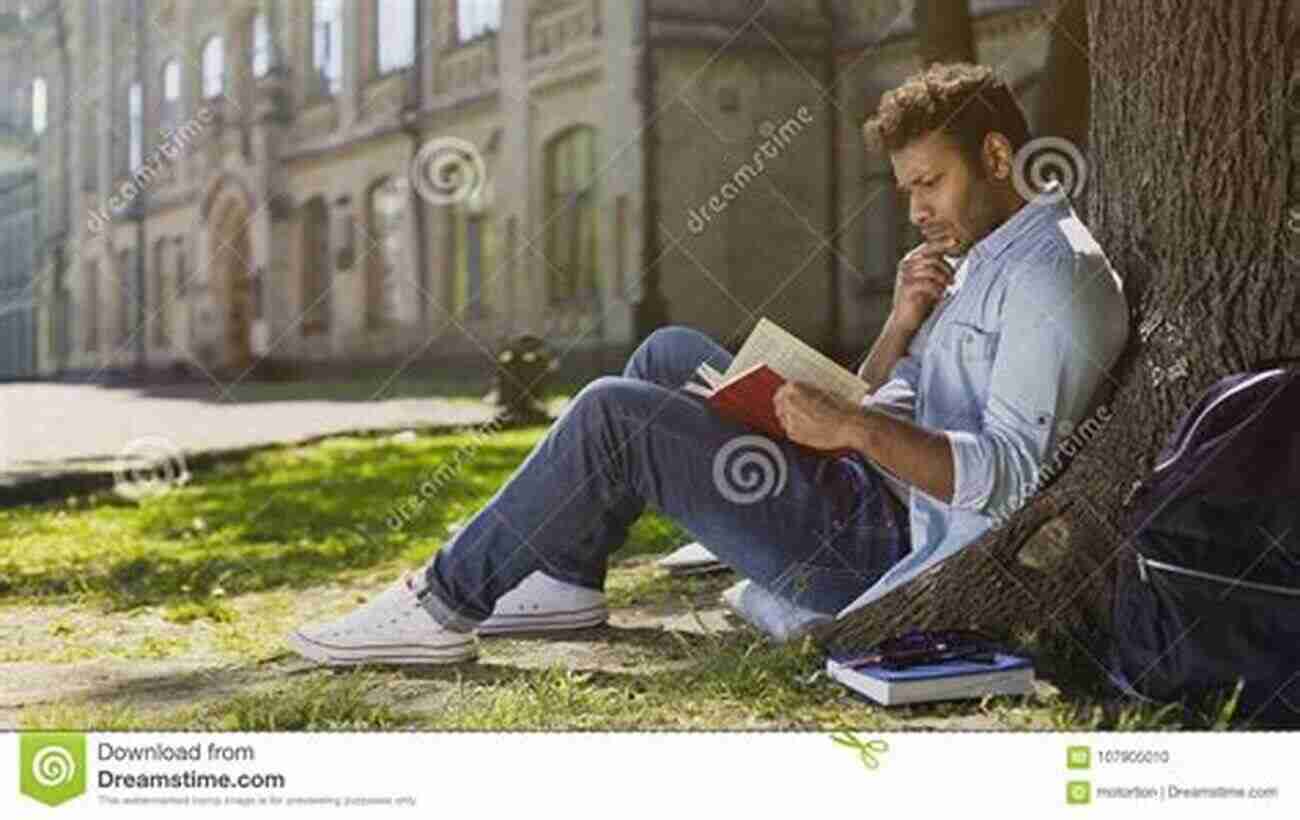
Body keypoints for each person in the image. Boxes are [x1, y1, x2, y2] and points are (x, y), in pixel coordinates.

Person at [286, 62, 1129, 666]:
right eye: (905, 189)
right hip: (867, 486)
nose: (914, 212)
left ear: (993, 159)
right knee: (669, 353)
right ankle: (569, 579)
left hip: (876, 545)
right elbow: (889, 398)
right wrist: (900, 327)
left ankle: (441, 604)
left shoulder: (1054, 278)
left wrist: (850, 429)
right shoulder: (980, 255)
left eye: (929, 185)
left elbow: (1013, 483)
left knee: (617, 412)